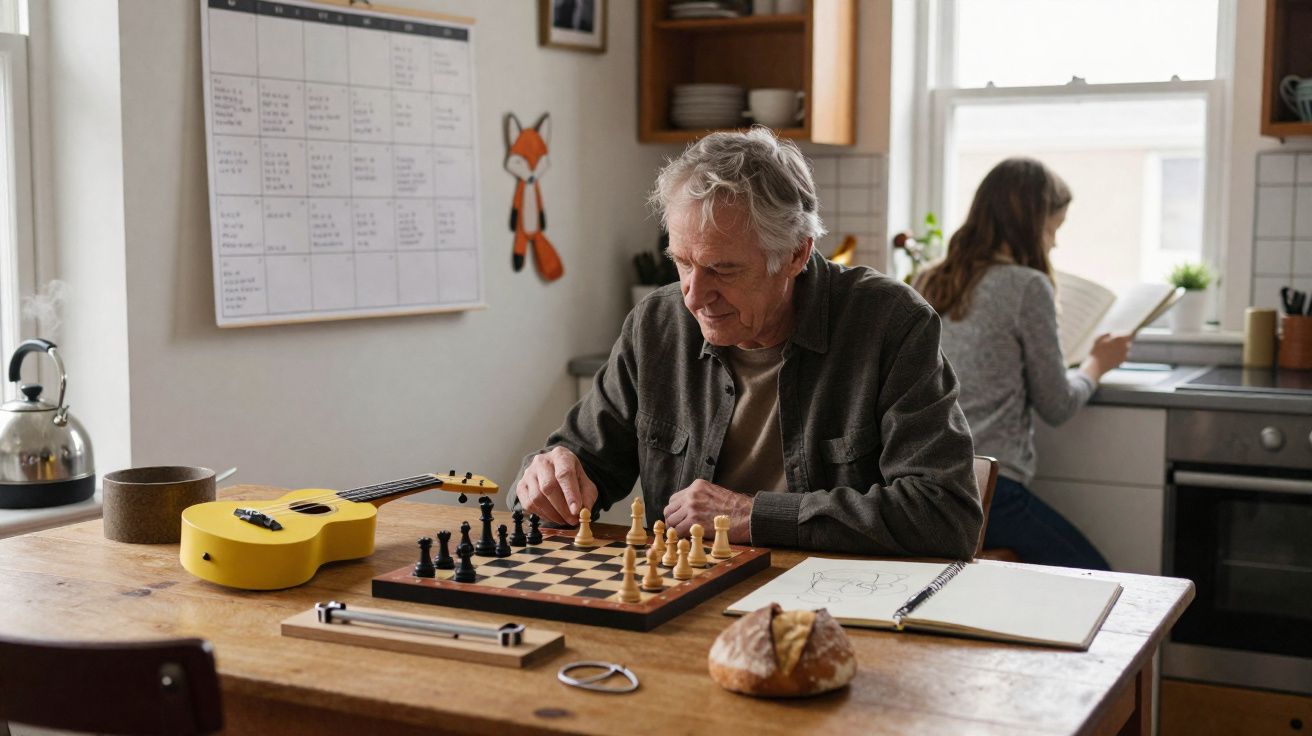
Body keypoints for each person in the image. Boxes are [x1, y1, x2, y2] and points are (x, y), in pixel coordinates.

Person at [514, 127, 982, 558]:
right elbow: (579, 461)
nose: (694, 296)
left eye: (723, 269)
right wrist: (548, 478)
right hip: (681, 595)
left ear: (797, 253)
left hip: (834, 605)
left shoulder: (891, 324)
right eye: (682, 262)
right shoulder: (658, 323)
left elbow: (943, 516)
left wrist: (753, 514)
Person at [914, 157, 1130, 570]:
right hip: (991, 492)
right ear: (1033, 224)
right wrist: (1098, 365)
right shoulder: (1026, 286)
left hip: (925, 488)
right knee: (1100, 581)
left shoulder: (928, 278)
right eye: (1054, 228)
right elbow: (1057, 405)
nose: (1054, 243)